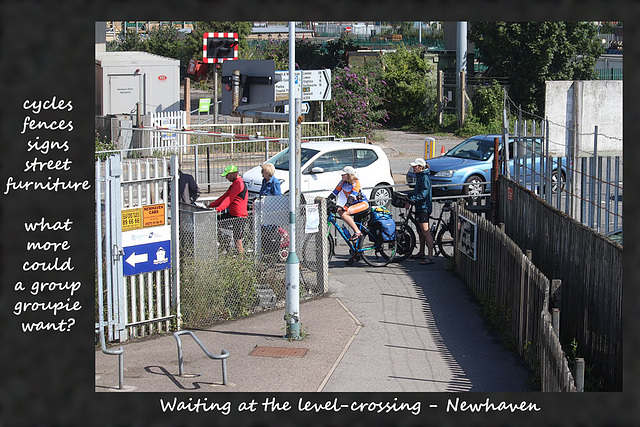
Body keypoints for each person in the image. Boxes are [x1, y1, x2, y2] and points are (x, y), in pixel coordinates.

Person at [208, 165, 249, 256]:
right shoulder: (234, 184)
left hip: (239, 216)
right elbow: (224, 197)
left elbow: (229, 199)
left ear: (234, 174)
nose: (226, 177)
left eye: (227, 175)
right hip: (232, 214)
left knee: (238, 240)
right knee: (215, 222)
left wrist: (217, 209)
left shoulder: (239, 183)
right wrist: (211, 205)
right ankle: (224, 244)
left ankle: (241, 262)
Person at [406, 158, 435, 265]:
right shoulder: (420, 176)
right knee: (420, 232)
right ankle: (421, 253)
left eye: (415, 166)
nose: (413, 168)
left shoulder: (424, 178)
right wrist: (409, 196)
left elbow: (424, 193)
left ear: (420, 167)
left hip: (424, 208)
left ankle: (430, 257)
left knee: (425, 231)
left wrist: (412, 200)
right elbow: (417, 191)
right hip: (419, 207)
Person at [328, 166, 369, 240]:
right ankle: (356, 245)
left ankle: (357, 232)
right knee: (340, 212)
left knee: (344, 213)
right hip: (353, 205)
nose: (342, 176)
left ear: (349, 175)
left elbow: (352, 197)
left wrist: (345, 207)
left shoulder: (356, 183)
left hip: (362, 204)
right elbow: (334, 193)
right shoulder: (342, 183)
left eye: (343, 174)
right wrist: (327, 201)